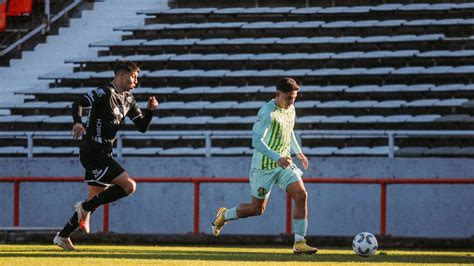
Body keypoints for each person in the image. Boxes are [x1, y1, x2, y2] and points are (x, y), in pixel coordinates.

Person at [53, 60, 159, 251]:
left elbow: (142, 127)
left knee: (94, 202)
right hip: (92, 151)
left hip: (105, 151)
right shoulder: (105, 92)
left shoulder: (128, 99)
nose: (136, 81)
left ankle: (63, 236)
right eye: (134, 76)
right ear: (121, 75)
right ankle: (84, 208)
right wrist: (77, 122)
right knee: (129, 186)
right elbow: (77, 103)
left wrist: (150, 111)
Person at [211, 77, 317, 255]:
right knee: (256, 209)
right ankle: (224, 215)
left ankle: (300, 242)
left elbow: (288, 131)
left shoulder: (290, 109)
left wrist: (298, 152)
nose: (292, 101)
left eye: (295, 97)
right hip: (264, 167)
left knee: (301, 195)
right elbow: (256, 141)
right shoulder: (267, 113)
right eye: (289, 97)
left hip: (284, 163)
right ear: (278, 94)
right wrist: (277, 157)